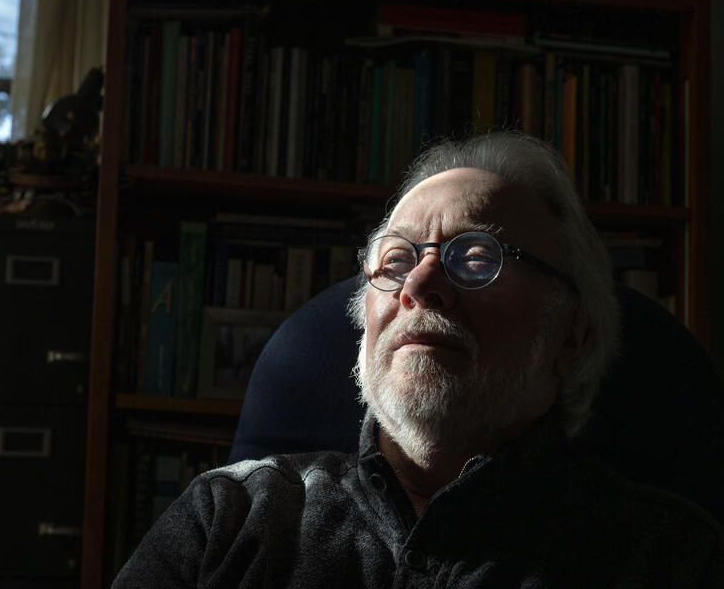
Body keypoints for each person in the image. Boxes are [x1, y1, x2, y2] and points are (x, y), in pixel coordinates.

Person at [113, 132, 723, 588]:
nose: (420, 284)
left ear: (570, 335)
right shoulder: (226, 517)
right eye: (397, 260)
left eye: (478, 257)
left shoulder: (671, 560)